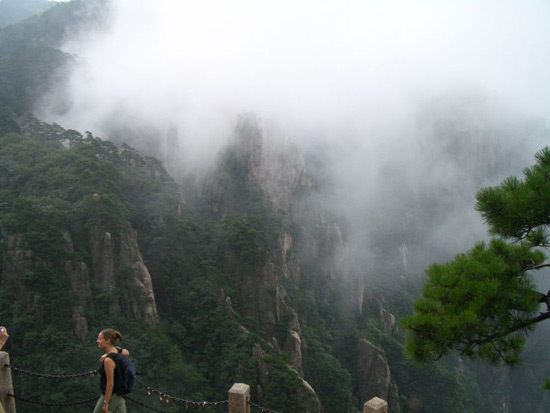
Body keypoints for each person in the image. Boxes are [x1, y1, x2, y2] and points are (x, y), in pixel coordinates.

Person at [94, 329, 130, 413]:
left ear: (108, 341)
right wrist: (107, 354)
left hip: (111, 395)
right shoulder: (117, 353)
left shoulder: (108, 360)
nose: (97, 341)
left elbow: (110, 383)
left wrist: (106, 402)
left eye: (99, 339)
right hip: (118, 393)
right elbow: (126, 352)